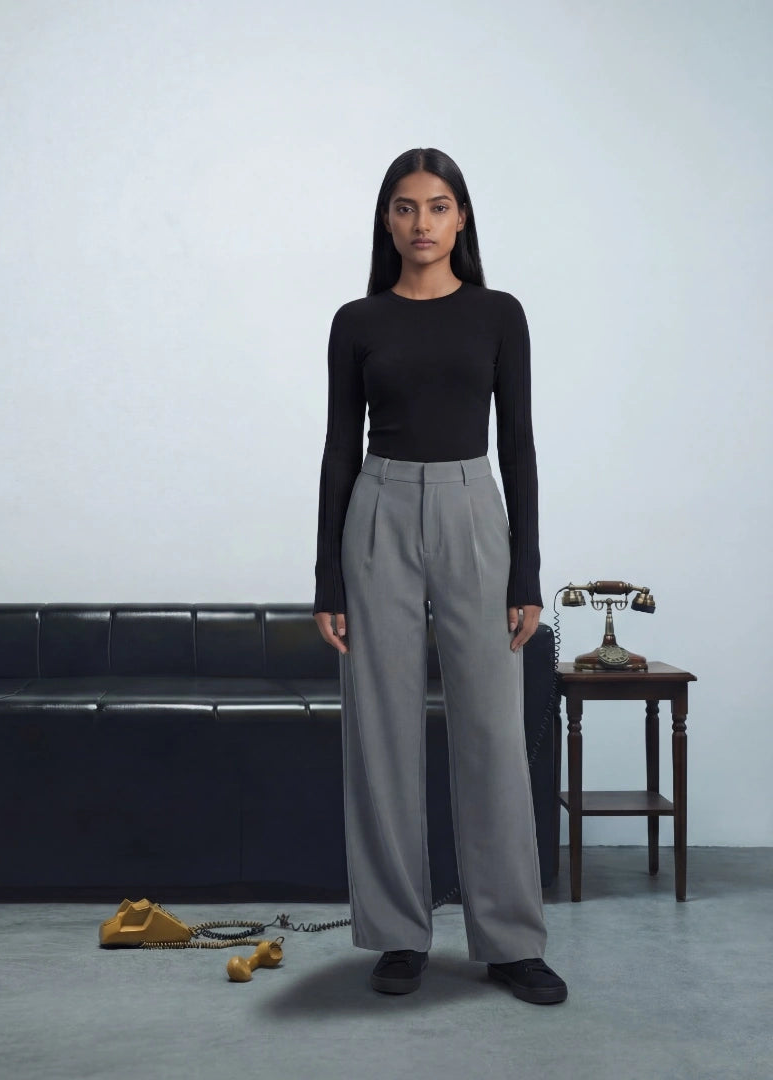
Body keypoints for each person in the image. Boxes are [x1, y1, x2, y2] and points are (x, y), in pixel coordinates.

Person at [312, 147, 567, 1006]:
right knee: (379, 731)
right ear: (387, 220)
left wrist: (525, 568)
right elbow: (338, 444)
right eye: (405, 208)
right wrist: (327, 580)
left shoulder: (500, 314)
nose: (422, 223)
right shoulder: (358, 320)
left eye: (439, 206)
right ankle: (396, 934)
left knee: (491, 729)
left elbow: (520, 443)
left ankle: (509, 940)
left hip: (470, 506)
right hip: (377, 511)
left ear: (462, 218)